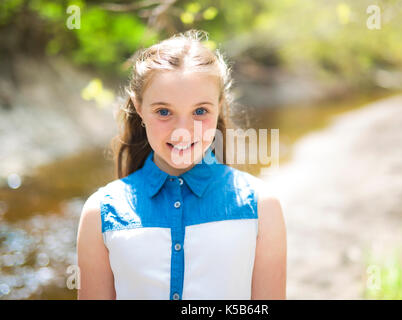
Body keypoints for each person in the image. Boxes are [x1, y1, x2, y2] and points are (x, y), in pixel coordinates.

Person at [76, 29, 286, 300]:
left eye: (200, 111)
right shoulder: (100, 213)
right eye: (164, 112)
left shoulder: (261, 207)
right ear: (140, 108)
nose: (183, 131)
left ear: (219, 107)